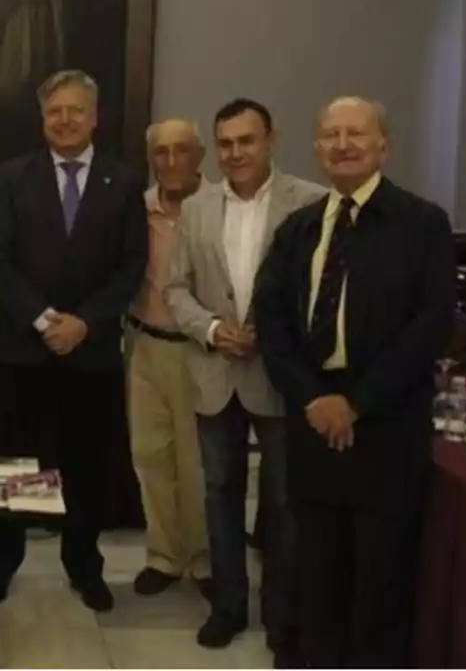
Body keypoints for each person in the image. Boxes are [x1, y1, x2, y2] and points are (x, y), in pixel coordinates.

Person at [254, 96, 453, 668]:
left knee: (379, 583)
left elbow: (431, 325)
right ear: (316, 148)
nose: (343, 145)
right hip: (314, 427)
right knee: (316, 574)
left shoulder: (422, 224)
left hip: (385, 432)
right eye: (330, 135)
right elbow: (272, 321)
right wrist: (315, 398)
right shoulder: (299, 228)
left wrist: (355, 403)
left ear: (382, 145)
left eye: (356, 134)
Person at [164, 98, 324, 660]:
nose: (236, 153)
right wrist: (208, 328)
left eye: (246, 141)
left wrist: (276, 335)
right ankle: (228, 606)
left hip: (280, 376)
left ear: (271, 140)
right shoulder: (198, 207)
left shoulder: (309, 203)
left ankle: (282, 618)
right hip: (215, 370)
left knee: (283, 502)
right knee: (220, 492)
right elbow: (175, 289)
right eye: (226, 143)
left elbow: (321, 293)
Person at [0, 69, 147, 610]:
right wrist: (44, 319)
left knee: (87, 469)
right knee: (11, 464)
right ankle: (0, 565)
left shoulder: (123, 183)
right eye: (55, 111)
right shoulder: (9, 178)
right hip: (20, 351)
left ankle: (84, 565)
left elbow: (131, 266)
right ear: (42, 118)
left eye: (76, 110)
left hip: (91, 353)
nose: (65, 120)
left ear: (94, 116)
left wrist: (85, 323)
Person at [126, 119, 214, 598]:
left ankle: (203, 561)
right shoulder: (136, 210)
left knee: (199, 463)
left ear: (200, 155)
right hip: (144, 345)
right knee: (150, 454)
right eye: (161, 152)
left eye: (183, 150)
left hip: (202, 352)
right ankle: (163, 555)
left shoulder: (221, 207)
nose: (172, 160)